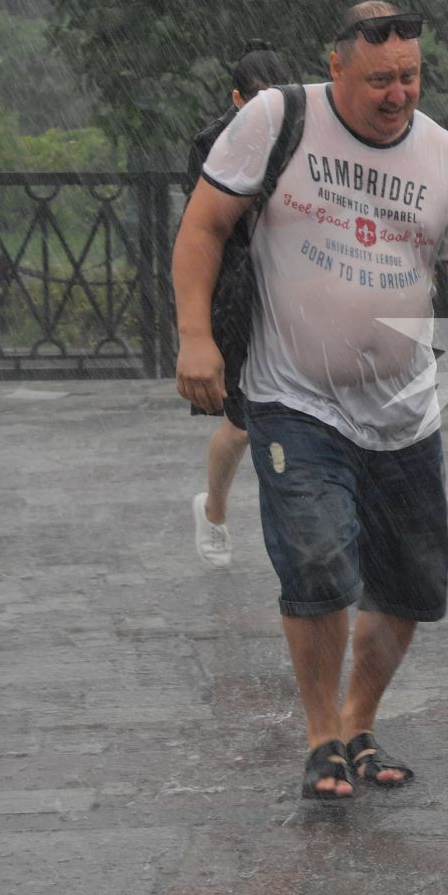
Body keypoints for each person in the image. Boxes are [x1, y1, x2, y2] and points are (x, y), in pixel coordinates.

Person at [173, 0, 448, 802]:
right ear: (336, 69)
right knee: (320, 564)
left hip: (405, 407)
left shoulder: (444, 156)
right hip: (296, 396)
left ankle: (360, 719)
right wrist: (195, 335)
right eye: (379, 80)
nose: (398, 94)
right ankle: (321, 735)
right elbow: (202, 228)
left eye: (410, 76)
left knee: (408, 589)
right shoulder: (275, 119)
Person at [185, 40, 294, 570]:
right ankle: (215, 510)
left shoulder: (303, 133)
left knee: (308, 415)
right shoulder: (212, 144)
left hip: (295, 290)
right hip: (239, 296)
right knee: (244, 421)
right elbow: (204, 234)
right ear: (235, 99)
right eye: (257, 102)